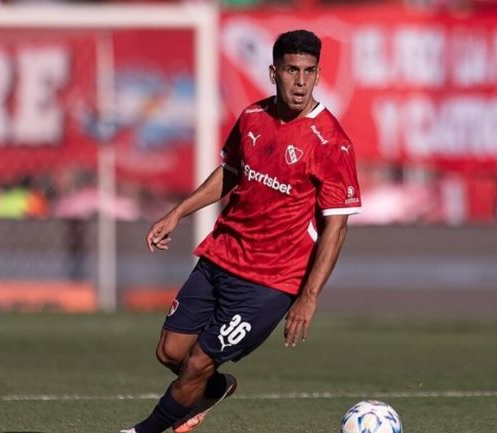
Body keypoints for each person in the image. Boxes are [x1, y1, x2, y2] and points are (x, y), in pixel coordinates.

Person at [121, 29, 361, 433]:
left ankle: (144, 431)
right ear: (273, 72)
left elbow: (336, 227)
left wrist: (308, 296)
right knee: (171, 352)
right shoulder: (252, 117)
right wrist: (177, 213)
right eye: (291, 70)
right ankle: (213, 389)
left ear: (319, 75)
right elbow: (230, 172)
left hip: (270, 281)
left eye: (308, 72)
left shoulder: (331, 143)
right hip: (222, 255)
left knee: (198, 361)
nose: (300, 82)